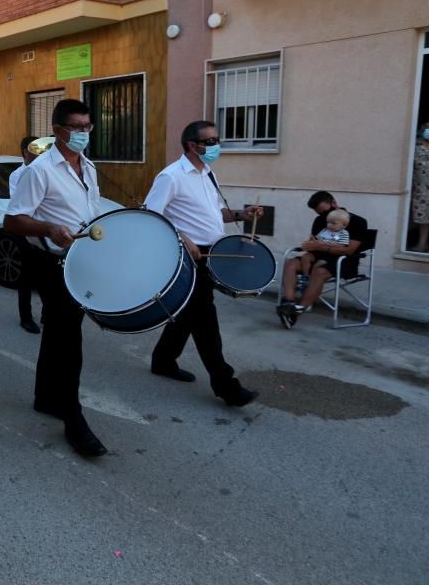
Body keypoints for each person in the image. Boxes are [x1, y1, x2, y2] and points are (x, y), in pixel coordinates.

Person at [4, 99, 107, 457]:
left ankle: (46, 398)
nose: (83, 133)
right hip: (48, 261)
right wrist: (48, 227)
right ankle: (73, 419)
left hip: (77, 259)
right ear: (58, 130)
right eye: (76, 127)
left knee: (59, 332)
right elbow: (13, 220)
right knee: (69, 341)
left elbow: (89, 210)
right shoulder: (40, 170)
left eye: (87, 127)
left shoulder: (88, 167)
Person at [144, 120, 261, 407]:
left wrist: (241, 215)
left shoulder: (208, 173)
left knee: (188, 313)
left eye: (216, 139)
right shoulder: (171, 176)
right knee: (205, 319)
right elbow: (150, 216)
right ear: (191, 146)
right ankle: (226, 385)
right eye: (209, 141)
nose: (215, 145)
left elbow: (212, 214)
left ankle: (163, 360)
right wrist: (183, 239)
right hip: (187, 256)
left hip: (211, 253)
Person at [277, 191, 369, 328]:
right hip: (318, 256)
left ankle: (297, 311)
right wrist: (309, 245)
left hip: (343, 261)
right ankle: (289, 303)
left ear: (334, 203)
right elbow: (314, 243)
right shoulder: (320, 220)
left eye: (327, 212)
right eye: (320, 214)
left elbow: (350, 250)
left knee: (320, 271)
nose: (325, 217)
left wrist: (322, 246)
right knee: (291, 263)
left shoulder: (357, 221)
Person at [8, 135, 41, 334]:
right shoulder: (17, 175)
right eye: (35, 150)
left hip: (43, 227)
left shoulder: (45, 171)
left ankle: (47, 312)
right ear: (25, 152)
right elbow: (19, 203)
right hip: (25, 227)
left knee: (47, 273)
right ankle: (26, 317)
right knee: (27, 275)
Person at [295, 209, 350, 290]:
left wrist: (324, 244)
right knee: (305, 257)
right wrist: (313, 240)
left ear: (344, 225)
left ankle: (311, 281)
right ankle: (305, 277)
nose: (329, 225)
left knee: (318, 265)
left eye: (333, 223)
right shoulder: (325, 230)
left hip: (330, 255)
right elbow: (317, 240)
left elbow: (341, 246)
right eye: (328, 222)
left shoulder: (343, 233)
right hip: (318, 252)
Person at [411, 114, 429, 252]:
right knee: (423, 219)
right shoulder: (417, 144)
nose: (428, 130)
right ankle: (422, 244)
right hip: (422, 190)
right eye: (426, 127)